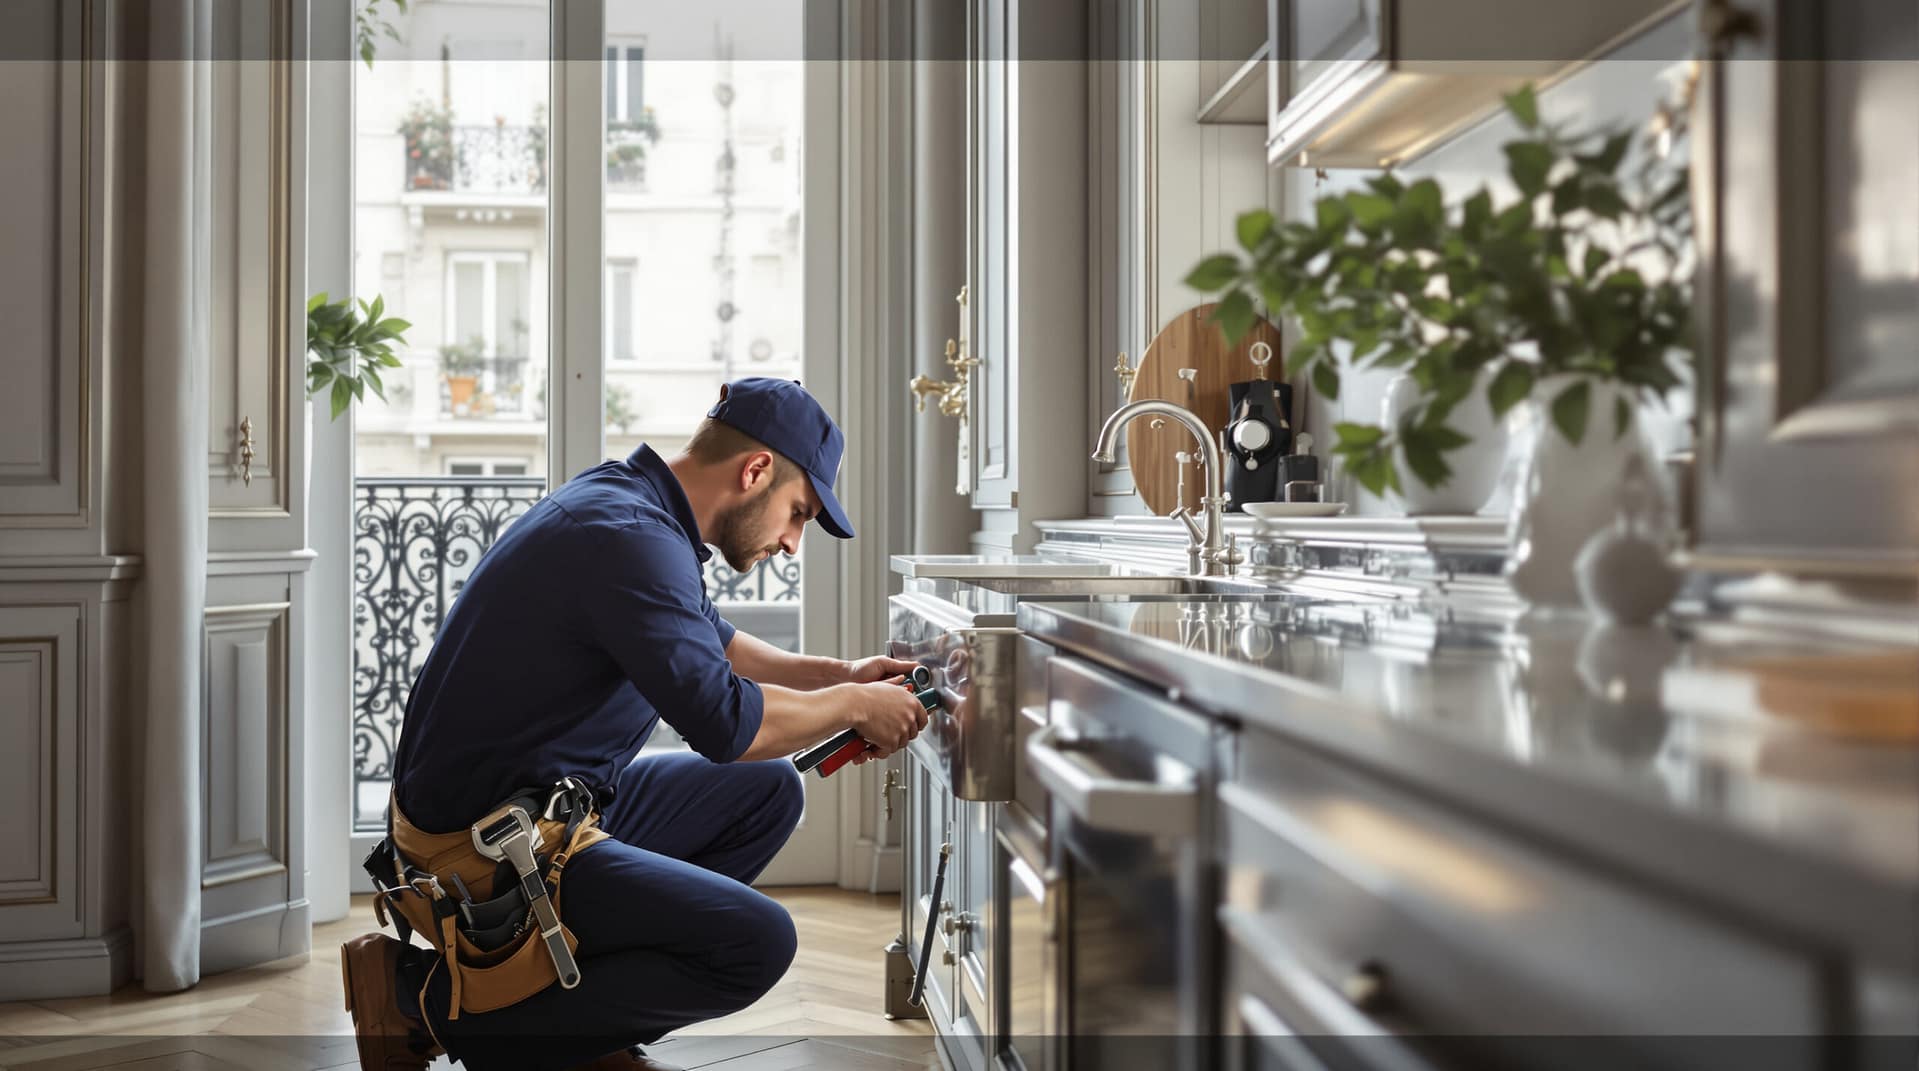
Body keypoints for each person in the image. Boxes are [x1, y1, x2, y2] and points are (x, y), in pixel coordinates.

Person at [340, 378, 929, 1071]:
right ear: (755, 471)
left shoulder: (634, 507)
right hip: (481, 854)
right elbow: (726, 725)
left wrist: (842, 676)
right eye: (798, 513)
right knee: (756, 942)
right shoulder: (629, 539)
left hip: (535, 815)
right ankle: (422, 1005)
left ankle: (582, 1023)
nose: (793, 542)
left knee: (770, 790)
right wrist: (857, 708)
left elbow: (720, 644)